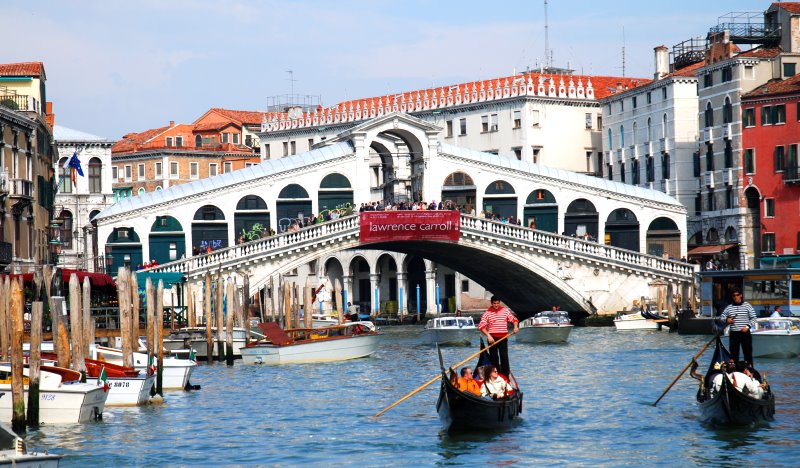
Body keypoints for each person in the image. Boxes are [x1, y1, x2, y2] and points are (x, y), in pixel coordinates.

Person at [478, 296, 519, 377]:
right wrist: (488, 335)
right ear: (491, 303)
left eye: (497, 303)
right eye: (494, 303)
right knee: (494, 358)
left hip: (503, 338)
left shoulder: (505, 311)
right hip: (492, 338)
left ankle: (505, 375)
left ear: (499, 303)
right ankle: (495, 374)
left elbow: (514, 320)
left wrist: (515, 327)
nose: (496, 305)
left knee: (504, 357)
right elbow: (481, 327)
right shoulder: (487, 314)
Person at [718, 288, 757, 365]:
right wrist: (727, 320)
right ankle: (735, 370)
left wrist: (747, 327)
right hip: (734, 333)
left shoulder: (747, 306)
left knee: (748, 353)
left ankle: (750, 369)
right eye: (734, 295)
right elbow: (722, 317)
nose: (735, 297)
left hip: (745, 333)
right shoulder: (729, 307)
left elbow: (754, 318)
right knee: (734, 354)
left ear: (741, 296)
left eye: (737, 295)